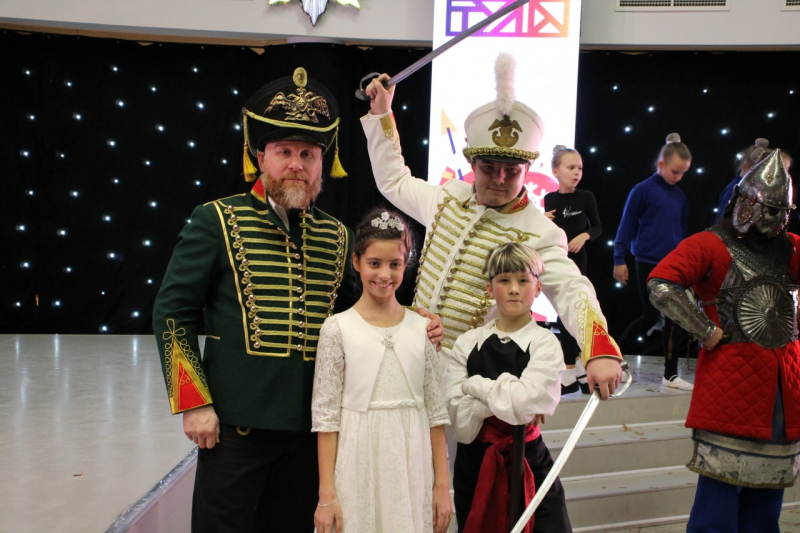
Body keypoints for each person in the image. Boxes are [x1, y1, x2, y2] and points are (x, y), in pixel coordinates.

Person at [152, 68, 442, 533]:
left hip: (310, 435)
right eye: (284, 152)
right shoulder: (216, 220)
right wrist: (193, 401)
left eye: (308, 154)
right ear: (260, 157)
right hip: (235, 429)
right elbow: (173, 313)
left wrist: (411, 320)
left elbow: (359, 314)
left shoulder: (336, 235)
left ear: (322, 163)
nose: (296, 164)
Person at [362, 53, 624, 402]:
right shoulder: (447, 198)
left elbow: (573, 290)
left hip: (472, 380)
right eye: (489, 167)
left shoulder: (539, 232)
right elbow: (393, 179)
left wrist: (599, 347)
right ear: (472, 162)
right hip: (410, 358)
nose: (500, 179)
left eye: (511, 171)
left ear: (527, 170)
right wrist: (382, 114)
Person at [647, 149, 800, 532]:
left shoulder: (792, 248)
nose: (775, 220)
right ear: (746, 204)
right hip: (732, 385)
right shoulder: (710, 244)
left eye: (782, 212)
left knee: (764, 513)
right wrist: (705, 329)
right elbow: (662, 284)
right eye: (769, 210)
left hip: (784, 388)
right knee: (716, 513)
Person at [311, 208, 452, 533]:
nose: (384, 274)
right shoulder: (336, 329)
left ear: (406, 264)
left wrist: (442, 486)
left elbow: (435, 413)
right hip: (357, 460)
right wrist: (327, 495)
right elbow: (326, 419)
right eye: (374, 263)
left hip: (412, 462)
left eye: (395, 264)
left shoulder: (423, 328)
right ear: (356, 261)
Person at [444, 242, 570, 533]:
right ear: (490, 289)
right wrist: (508, 397)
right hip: (474, 465)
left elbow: (523, 404)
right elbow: (454, 412)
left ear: (538, 288)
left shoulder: (545, 344)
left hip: (529, 459)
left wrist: (474, 385)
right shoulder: (468, 342)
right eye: (504, 280)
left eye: (523, 280)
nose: (514, 289)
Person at [613, 133, 693, 390]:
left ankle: (670, 374)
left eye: (683, 173)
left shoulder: (679, 195)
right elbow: (626, 226)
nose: (679, 177)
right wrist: (619, 258)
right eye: (675, 171)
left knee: (675, 317)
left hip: (673, 263)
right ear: (661, 164)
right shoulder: (642, 190)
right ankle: (613, 359)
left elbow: (681, 231)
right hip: (648, 260)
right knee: (650, 315)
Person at [545, 146, 602, 394]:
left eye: (580, 168)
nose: (577, 172)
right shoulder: (550, 198)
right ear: (556, 171)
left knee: (578, 308)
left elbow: (598, 227)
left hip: (579, 262)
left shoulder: (586, 197)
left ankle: (574, 368)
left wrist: (584, 236)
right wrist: (542, 219)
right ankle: (574, 369)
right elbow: (547, 230)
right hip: (558, 261)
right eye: (571, 168)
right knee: (562, 312)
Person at [715, 139, 793, 223]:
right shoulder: (736, 190)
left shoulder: (756, 191)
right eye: (778, 171)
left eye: (786, 170)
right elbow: (723, 222)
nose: (783, 176)